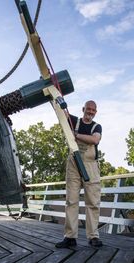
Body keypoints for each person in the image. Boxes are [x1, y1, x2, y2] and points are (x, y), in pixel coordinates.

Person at [56, 100, 103, 248]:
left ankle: (93, 236)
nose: (90, 112)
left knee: (93, 202)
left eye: (93, 110)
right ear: (83, 109)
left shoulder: (97, 127)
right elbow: (61, 113)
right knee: (71, 201)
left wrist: (76, 135)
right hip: (74, 165)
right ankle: (70, 237)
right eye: (88, 109)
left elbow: (95, 140)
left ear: (95, 112)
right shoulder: (73, 121)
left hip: (90, 165)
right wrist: (56, 97)